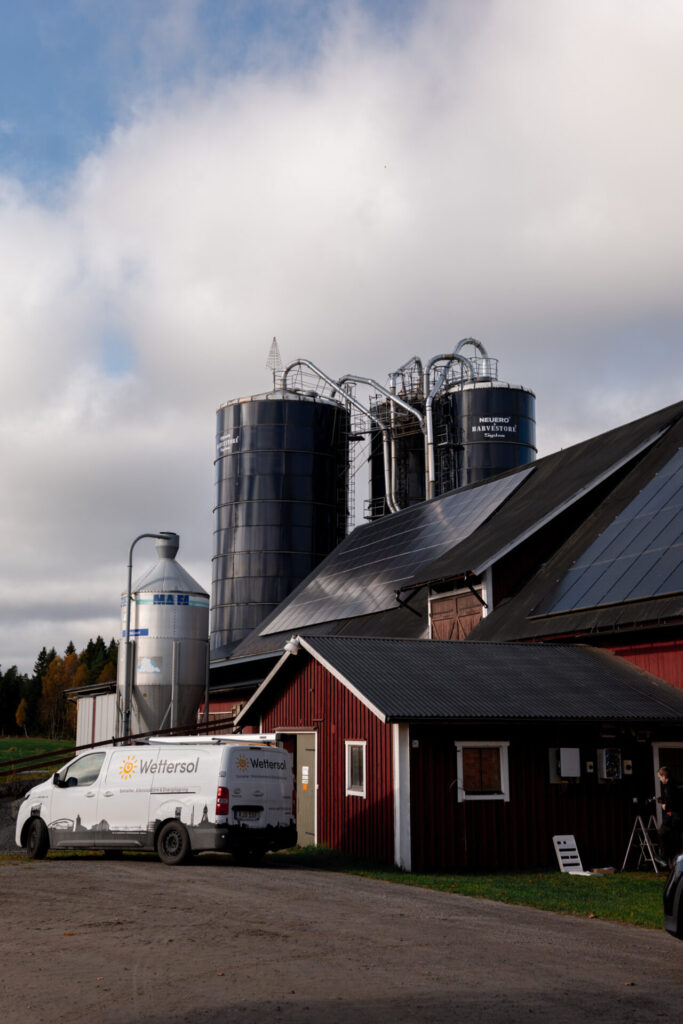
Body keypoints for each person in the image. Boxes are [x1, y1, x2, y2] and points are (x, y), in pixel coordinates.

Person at [656, 766, 683, 867]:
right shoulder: (678, 783)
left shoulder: (668, 786)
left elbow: (671, 801)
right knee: (678, 837)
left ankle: (663, 857)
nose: (659, 779)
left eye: (659, 777)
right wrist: (660, 799)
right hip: (681, 815)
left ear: (664, 776)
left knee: (661, 833)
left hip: (673, 815)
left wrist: (665, 806)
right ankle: (677, 860)